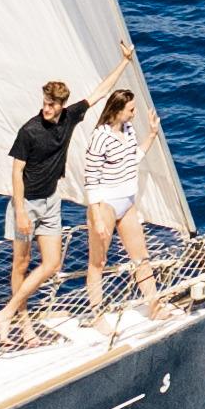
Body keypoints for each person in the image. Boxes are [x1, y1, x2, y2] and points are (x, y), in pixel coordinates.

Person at [0, 79, 78, 332]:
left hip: (51, 202)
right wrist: (20, 212)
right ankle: (23, 321)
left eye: (52, 105)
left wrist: (125, 61)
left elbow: (97, 95)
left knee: (52, 263)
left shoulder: (69, 118)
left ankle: (7, 312)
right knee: (21, 263)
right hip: (26, 205)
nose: (46, 109)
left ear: (63, 106)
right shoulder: (29, 131)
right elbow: (16, 173)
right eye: (44, 103)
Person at [68, 85, 151, 307]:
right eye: (131, 110)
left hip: (127, 201)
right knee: (98, 262)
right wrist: (96, 217)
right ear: (117, 110)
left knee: (141, 257)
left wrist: (151, 135)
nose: (134, 114)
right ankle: (97, 314)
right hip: (105, 205)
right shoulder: (100, 137)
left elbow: (132, 160)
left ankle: (154, 306)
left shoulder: (128, 129)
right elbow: (91, 178)